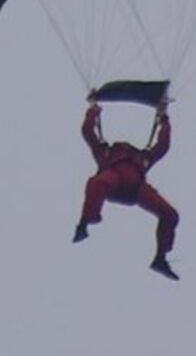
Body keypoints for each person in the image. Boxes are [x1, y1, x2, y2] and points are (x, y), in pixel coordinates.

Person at [73, 100, 180, 280]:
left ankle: (160, 258)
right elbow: (88, 132)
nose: (125, 145)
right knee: (96, 183)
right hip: (113, 181)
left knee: (170, 215)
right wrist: (92, 111)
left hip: (136, 189)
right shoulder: (105, 152)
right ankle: (85, 222)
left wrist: (164, 120)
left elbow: (162, 146)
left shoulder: (143, 157)